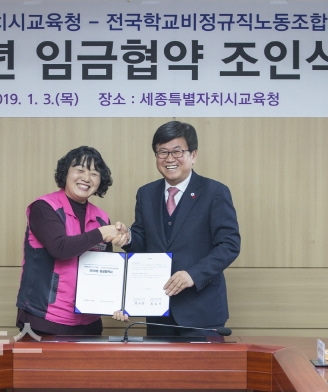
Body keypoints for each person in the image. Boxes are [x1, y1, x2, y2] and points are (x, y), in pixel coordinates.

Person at [114, 121, 240, 337]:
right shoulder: (146, 194)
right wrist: (128, 238)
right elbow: (144, 242)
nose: (169, 159)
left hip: (202, 310)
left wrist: (193, 274)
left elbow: (229, 245)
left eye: (177, 151)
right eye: (162, 152)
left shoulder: (215, 192)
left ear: (193, 155)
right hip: (158, 310)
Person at [15, 146, 129, 336]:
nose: (86, 178)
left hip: (89, 320)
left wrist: (119, 303)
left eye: (94, 173)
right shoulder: (44, 207)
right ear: (66, 173)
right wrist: (101, 233)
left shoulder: (101, 218)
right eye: (80, 170)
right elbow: (60, 248)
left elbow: (106, 270)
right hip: (44, 318)